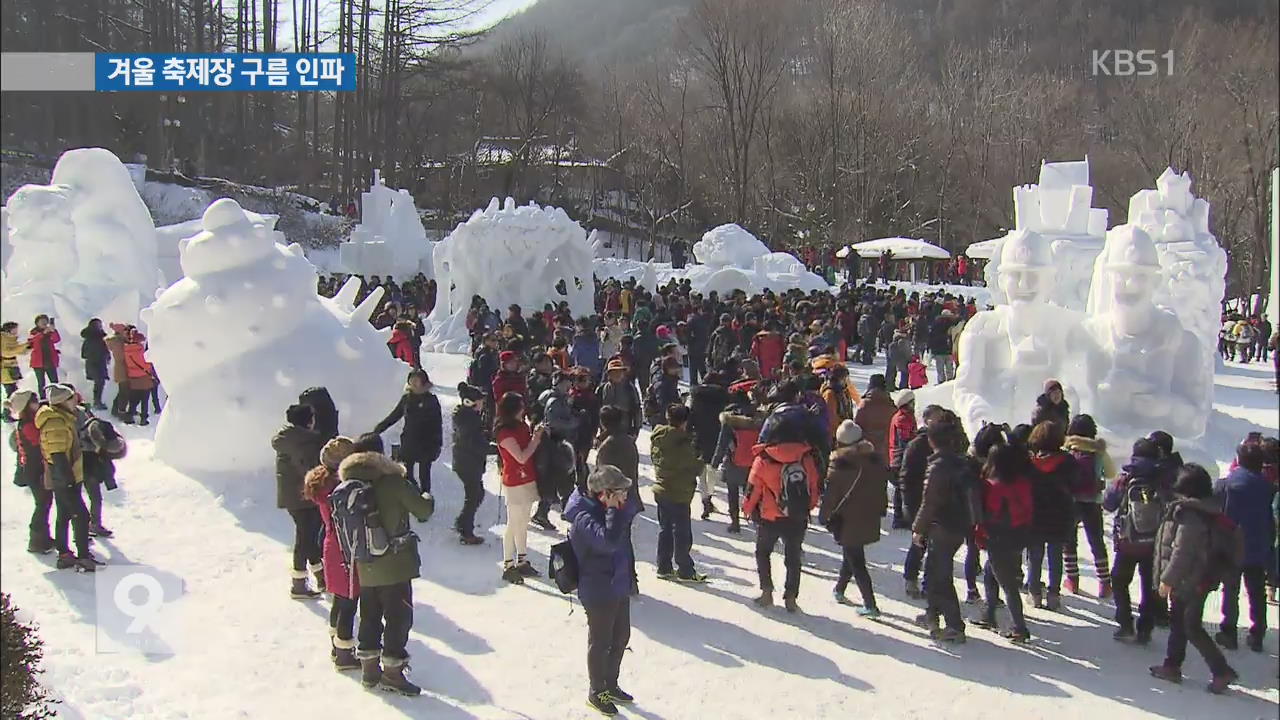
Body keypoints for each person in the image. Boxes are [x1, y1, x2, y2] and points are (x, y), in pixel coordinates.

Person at [341, 432, 435, 695]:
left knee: (369, 614)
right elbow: (423, 511)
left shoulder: (350, 483)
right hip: (395, 564)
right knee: (398, 617)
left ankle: (370, 670)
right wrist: (425, 495)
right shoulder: (393, 482)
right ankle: (393, 671)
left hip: (364, 563)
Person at [1149, 464, 1239, 694]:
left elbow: (1182, 551)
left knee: (1190, 626)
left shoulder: (1190, 515)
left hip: (1192, 579)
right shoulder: (1207, 509)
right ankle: (1172, 665)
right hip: (1198, 577)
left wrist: (1167, 579)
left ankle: (1221, 670)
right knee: (1179, 622)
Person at [566, 465, 642, 717]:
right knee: (600, 643)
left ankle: (611, 683)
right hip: (598, 589)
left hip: (618, 583)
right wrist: (612, 509)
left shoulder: (613, 510)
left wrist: (616, 506)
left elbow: (630, 515)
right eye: (620, 492)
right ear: (604, 494)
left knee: (621, 637)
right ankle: (596, 691)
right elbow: (608, 542)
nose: (625, 497)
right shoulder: (584, 518)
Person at [744, 398, 821, 612]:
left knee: (763, 552)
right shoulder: (805, 457)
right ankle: (791, 597)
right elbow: (813, 486)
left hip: (770, 516)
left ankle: (767, 592)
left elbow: (753, 490)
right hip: (797, 516)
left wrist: (747, 510)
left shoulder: (764, 459)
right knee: (793, 556)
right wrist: (807, 507)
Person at [1104, 438, 1171, 644]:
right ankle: (1145, 628)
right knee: (1149, 585)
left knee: (1120, 580)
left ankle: (1125, 624)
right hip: (1155, 543)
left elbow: (1108, 504)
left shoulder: (1125, 478)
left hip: (1128, 541)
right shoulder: (1163, 479)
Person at [302, 436, 360, 671]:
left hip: (330, 544)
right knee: (348, 601)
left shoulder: (321, 483)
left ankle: (337, 644)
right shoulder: (340, 489)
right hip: (345, 547)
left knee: (339, 598)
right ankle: (344, 653)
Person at [819, 421, 888, 618]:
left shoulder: (839, 466)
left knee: (856, 560)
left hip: (848, 519)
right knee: (851, 552)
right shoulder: (875, 460)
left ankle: (870, 605)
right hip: (869, 515)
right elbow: (881, 490)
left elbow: (830, 497)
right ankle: (840, 589)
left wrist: (824, 517)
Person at [912, 419, 973, 643]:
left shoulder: (938, 466)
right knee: (932, 569)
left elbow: (930, 502)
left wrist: (918, 529)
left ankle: (955, 625)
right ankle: (932, 614)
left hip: (942, 526)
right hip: (958, 524)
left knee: (940, 575)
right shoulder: (960, 461)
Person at [1213, 440, 1274, 652]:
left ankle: (1229, 631)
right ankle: (1257, 633)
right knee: (1256, 590)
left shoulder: (1228, 483)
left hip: (1231, 544)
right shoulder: (1267, 486)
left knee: (1230, 588)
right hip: (1257, 545)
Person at [973, 441, 1034, 642]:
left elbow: (988, 515)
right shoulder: (1023, 481)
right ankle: (989, 614)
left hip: (998, 538)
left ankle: (1019, 627)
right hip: (1019, 535)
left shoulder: (992, 486)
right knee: (991, 571)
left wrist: (980, 536)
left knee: (1007, 584)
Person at [37, 384, 98, 571]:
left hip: (65, 476)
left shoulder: (62, 418)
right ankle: (83, 557)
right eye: (71, 398)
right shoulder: (56, 422)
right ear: (63, 401)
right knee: (81, 515)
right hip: (64, 476)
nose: (75, 400)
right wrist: (69, 480)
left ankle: (64, 554)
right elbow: (57, 454)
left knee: (64, 514)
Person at [272, 403, 327, 598]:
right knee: (305, 538)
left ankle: (321, 577)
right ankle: (299, 584)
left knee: (308, 535)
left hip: (291, 496)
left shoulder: (286, 438)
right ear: (308, 421)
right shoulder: (306, 442)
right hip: (305, 495)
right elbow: (311, 469)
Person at [650, 404, 707, 582]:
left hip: (661, 489)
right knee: (682, 533)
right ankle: (685, 569)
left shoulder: (659, 438)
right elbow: (695, 467)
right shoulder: (683, 444)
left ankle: (664, 566)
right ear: (685, 421)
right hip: (679, 493)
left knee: (665, 530)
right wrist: (701, 458)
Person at [1062, 414, 1114, 597]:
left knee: (1069, 542)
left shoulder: (1067, 449)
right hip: (1092, 501)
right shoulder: (1098, 451)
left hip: (1071, 501)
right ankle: (1104, 583)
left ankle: (1072, 579)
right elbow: (1111, 472)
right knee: (1097, 541)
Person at [1025, 421, 1075, 611]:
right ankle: (1054, 594)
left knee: (1035, 555)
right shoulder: (1068, 461)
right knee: (1055, 554)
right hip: (1060, 513)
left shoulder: (1031, 463)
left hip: (1036, 514)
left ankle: (1034, 592)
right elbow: (1076, 483)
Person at [495, 392, 544, 583]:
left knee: (523, 522)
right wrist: (536, 439)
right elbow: (521, 456)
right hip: (514, 481)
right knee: (513, 523)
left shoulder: (521, 425)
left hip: (527, 478)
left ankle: (522, 560)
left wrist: (534, 434)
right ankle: (508, 564)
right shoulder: (504, 433)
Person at [373, 369, 442, 496]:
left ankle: (425, 503)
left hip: (426, 443)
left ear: (423, 382)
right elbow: (394, 416)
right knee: (407, 474)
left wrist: (437, 445)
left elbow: (438, 424)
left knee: (424, 475)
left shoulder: (431, 400)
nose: (414, 383)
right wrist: (377, 429)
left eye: (417, 380)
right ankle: (414, 497)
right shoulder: (406, 399)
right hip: (409, 441)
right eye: (411, 380)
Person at [710, 381, 764, 534]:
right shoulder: (758, 419)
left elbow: (722, 444)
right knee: (753, 493)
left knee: (732, 493)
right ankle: (757, 521)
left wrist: (715, 462)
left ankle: (735, 522)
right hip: (754, 464)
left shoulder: (730, 420)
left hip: (734, 463)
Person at [11, 390, 53, 554]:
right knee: (42, 504)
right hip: (34, 470)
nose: (38, 404)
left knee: (45, 502)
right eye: (34, 401)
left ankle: (43, 537)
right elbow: (40, 442)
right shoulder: (28, 425)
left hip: (34, 469)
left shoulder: (28, 421)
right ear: (27, 406)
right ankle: (36, 541)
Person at [450, 383, 489, 545]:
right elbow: (473, 442)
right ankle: (466, 531)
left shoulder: (467, 416)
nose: (482, 404)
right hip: (468, 462)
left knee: (476, 494)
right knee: (473, 496)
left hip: (466, 461)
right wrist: (492, 448)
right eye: (480, 401)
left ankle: (463, 523)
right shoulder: (469, 419)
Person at [687, 371, 729, 521]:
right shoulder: (722, 396)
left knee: (702, 471)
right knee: (713, 469)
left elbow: (690, 416)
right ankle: (709, 496)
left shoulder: (696, 396)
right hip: (717, 436)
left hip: (699, 435)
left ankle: (705, 499)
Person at [78, 408, 125, 538]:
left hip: (88, 463)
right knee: (88, 498)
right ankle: (87, 527)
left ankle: (92, 525)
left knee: (94, 497)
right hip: (86, 463)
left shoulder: (85, 416)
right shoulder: (84, 419)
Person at [888, 390, 917, 529]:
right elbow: (904, 440)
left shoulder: (905, 416)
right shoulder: (902, 419)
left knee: (901, 489)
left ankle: (900, 516)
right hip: (900, 457)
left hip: (898, 456)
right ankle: (899, 517)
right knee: (901, 489)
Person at [854, 374, 895, 465]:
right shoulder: (890, 404)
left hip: (867, 450)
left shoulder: (865, 404)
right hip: (886, 451)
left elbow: (857, 427)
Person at [596, 359, 641, 437]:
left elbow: (637, 409)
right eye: (614, 372)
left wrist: (636, 429)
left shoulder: (629, 388)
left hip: (625, 429)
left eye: (619, 371)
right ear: (609, 374)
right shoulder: (602, 389)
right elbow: (597, 409)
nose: (617, 374)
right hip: (607, 429)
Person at [121, 329, 156, 426]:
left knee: (133, 399)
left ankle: (129, 416)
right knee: (145, 400)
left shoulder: (126, 350)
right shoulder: (140, 350)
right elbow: (145, 364)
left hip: (133, 378)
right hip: (144, 378)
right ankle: (143, 419)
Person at [1, 321, 30, 422]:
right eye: (15, 329)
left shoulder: (12, 339)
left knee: (12, 391)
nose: (16, 332)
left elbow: (17, 350)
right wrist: (23, 346)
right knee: (11, 392)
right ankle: (6, 414)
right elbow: (7, 352)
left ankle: (7, 413)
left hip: (12, 370)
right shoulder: (3, 339)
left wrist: (28, 347)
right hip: (5, 371)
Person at [79, 319, 110, 410]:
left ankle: (97, 401)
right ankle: (97, 402)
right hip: (95, 364)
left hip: (97, 364)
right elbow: (84, 354)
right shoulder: (91, 340)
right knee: (99, 383)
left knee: (100, 383)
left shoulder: (97, 339)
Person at [28, 315, 61, 398]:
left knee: (54, 382)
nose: (44, 323)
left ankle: (56, 398)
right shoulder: (34, 332)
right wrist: (43, 333)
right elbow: (33, 341)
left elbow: (56, 340)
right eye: (41, 321)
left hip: (50, 361)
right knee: (41, 382)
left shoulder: (51, 331)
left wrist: (53, 331)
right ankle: (43, 399)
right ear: (37, 323)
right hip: (38, 362)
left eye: (45, 321)